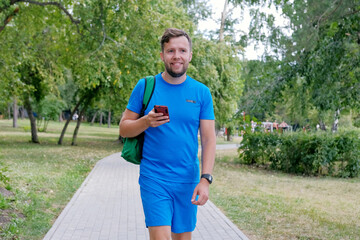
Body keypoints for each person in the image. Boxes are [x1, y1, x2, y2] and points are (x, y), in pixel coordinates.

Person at [119, 28, 216, 240]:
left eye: (182, 50)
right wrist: (146, 121)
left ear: (190, 55)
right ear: (162, 55)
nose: (176, 56)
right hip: (154, 177)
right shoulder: (146, 86)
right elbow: (124, 127)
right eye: (170, 51)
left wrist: (205, 180)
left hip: (187, 180)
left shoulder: (201, 92)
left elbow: (209, 139)